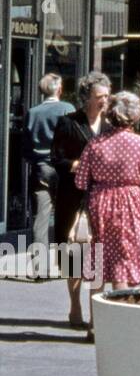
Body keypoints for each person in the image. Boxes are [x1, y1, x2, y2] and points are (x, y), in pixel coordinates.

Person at [75, 91, 140, 338]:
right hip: (131, 203)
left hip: (100, 202)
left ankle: (96, 324)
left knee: (98, 263)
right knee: (123, 260)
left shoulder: (96, 143)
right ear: (134, 116)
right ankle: (120, 324)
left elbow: (81, 181)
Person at [50, 72, 113, 328]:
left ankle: (95, 311)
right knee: (73, 251)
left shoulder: (111, 126)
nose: (104, 101)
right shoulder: (68, 122)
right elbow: (55, 158)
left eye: (107, 96)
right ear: (86, 97)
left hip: (100, 196)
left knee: (97, 251)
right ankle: (75, 304)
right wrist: (76, 165)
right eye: (100, 96)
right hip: (72, 196)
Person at [24, 73, 74, 247]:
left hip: (41, 169)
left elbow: (26, 146)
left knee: (41, 217)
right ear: (59, 89)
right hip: (64, 169)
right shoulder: (67, 108)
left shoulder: (32, 113)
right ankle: (69, 265)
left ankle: (39, 267)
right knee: (68, 215)